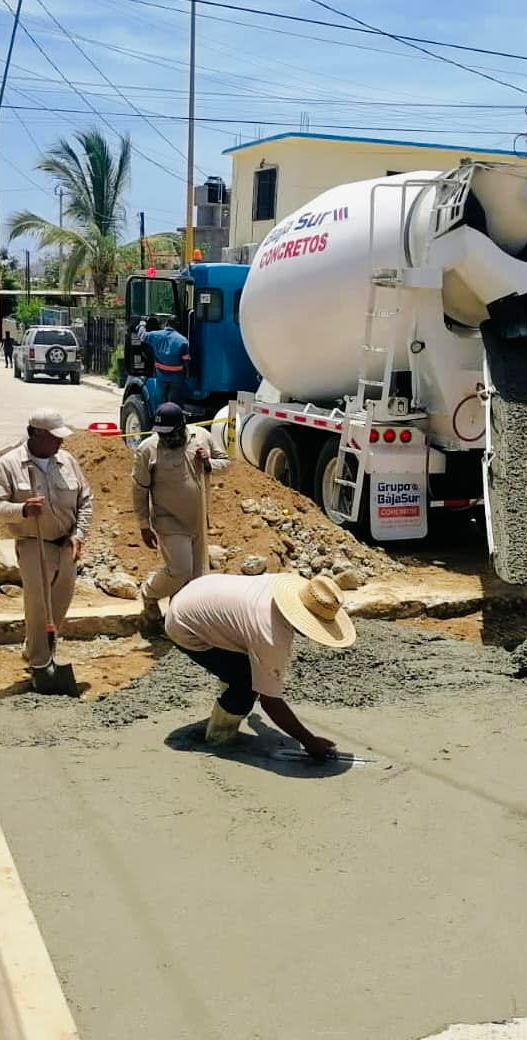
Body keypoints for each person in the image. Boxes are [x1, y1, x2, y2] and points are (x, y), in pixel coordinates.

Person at [163, 572, 355, 760]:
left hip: (197, 591)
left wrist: (257, 722)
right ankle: (219, 737)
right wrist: (309, 741)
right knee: (245, 685)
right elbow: (270, 702)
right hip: (185, 625)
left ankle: (228, 701)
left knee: (247, 667)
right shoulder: (271, 635)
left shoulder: (280, 586)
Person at [0, 409, 94, 677]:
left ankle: (37, 648)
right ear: (35, 433)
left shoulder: (67, 461)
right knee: (38, 605)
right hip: (33, 543)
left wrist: (78, 535)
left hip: (67, 544)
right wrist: (22, 510)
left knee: (60, 602)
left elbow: (86, 501)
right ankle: (40, 663)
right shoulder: (9, 464)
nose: (61, 442)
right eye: (54, 437)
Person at [133, 402, 228, 618]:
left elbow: (227, 463)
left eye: (169, 433)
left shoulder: (201, 436)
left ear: (181, 427)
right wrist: (144, 525)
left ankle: (179, 620)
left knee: (195, 579)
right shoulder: (148, 449)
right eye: (161, 433)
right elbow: (139, 489)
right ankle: (149, 593)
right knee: (180, 570)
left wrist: (209, 462)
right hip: (169, 521)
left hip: (198, 520)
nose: (164, 438)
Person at [141, 315, 192, 408]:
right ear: (177, 326)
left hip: (161, 376)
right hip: (176, 377)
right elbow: (186, 361)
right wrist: (187, 374)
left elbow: (142, 336)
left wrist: (141, 325)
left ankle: (159, 417)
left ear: (166, 323)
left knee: (160, 400)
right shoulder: (183, 341)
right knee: (174, 403)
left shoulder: (155, 335)